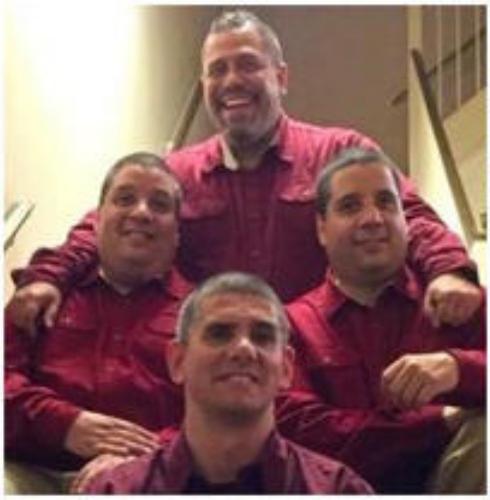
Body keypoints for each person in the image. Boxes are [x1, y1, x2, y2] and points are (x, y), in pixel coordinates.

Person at [7, 9, 481, 331]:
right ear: (204, 84)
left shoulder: (344, 152)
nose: (231, 81)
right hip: (220, 380)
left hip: (325, 371)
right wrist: (48, 278)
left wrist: (448, 273)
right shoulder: (174, 177)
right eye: (217, 70)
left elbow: (410, 219)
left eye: (247, 65)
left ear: (281, 77)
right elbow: (101, 230)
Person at [280, 147, 485, 493]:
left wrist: (458, 369)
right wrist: (440, 422)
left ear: (406, 221)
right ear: (321, 229)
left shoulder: (458, 300)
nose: (373, 218)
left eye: (386, 203)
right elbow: (304, 432)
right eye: (350, 206)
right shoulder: (290, 325)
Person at [77, 272, 373, 494]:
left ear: (286, 368)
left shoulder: (339, 490)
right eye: (219, 333)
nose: (244, 348)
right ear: (177, 361)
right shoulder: (114, 490)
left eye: (262, 336)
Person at [5, 152, 193, 493]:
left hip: (149, 480)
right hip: (28, 470)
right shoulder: (41, 296)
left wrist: (140, 456)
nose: (141, 213)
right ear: (97, 219)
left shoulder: (204, 315)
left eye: (160, 205)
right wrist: (65, 425)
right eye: (125, 199)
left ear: (178, 232)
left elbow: (219, 410)